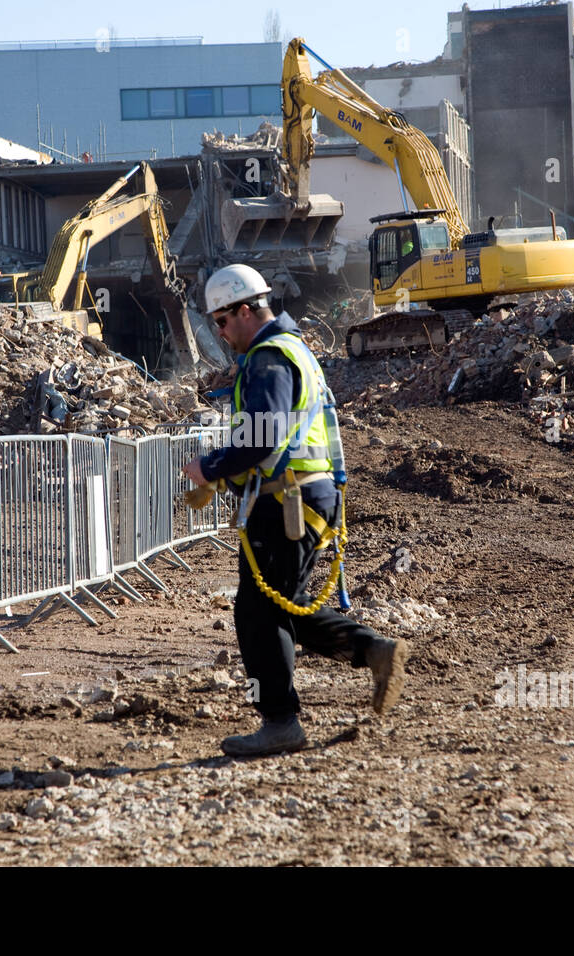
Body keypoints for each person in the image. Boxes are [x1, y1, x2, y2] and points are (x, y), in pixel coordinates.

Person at [182, 264, 409, 757]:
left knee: (256, 613)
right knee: (286, 603)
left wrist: (211, 466)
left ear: (244, 310)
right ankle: (373, 650)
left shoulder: (268, 359)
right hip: (306, 496)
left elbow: (262, 438)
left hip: (288, 500)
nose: (220, 334)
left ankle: (280, 721)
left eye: (221, 322)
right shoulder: (293, 350)